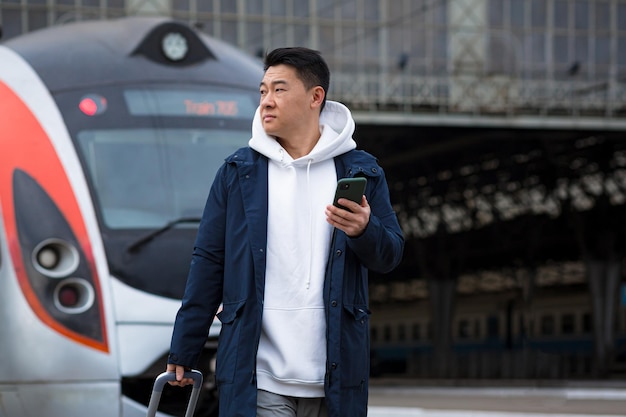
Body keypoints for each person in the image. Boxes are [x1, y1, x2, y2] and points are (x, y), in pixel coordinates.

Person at [166, 47, 404, 417]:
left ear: (315, 97)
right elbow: (209, 260)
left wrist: (364, 230)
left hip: (336, 378)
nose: (266, 102)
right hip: (258, 376)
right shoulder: (237, 172)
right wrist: (185, 347)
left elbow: (390, 254)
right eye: (262, 91)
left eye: (279, 90)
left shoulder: (361, 172)